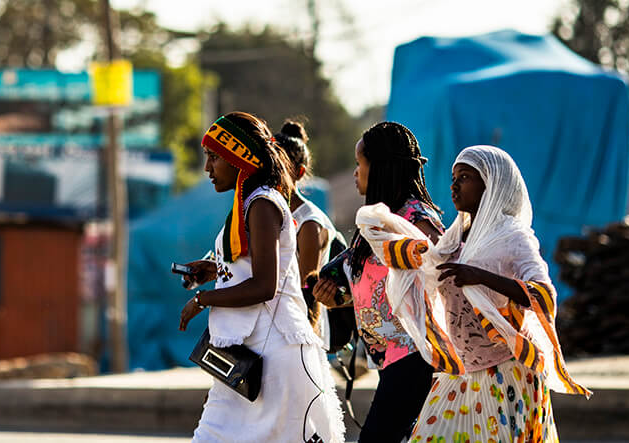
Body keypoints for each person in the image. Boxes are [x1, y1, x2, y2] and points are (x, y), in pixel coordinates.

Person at [356, 145, 591, 443]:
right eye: (454, 177)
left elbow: (544, 295)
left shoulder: (512, 237)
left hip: (505, 375)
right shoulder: (454, 240)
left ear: (492, 184)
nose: (454, 185)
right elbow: (429, 267)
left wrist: (481, 277)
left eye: (465, 177)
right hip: (460, 374)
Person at [179, 112, 345, 443]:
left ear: (239, 157)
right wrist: (214, 270)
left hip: (277, 355)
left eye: (214, 157)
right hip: (247, 357)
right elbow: (253, 265)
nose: (207, 168)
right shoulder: (249, 203)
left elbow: (265, 285)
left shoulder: (262, 203)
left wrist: (203, 299)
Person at [313, 121, 444, 443]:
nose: (355, 172)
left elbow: (438, 273)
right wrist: (336, 296)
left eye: (360, 164)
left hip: (416, 356)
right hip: (390, 358)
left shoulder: (416, 220)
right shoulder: (375, 222)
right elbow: (374, 286)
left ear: (381, 167)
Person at [273, 120, 341, 342]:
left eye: (280, 166)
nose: (272, 172)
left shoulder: (308, 223)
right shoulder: (267, 211)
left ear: (299, 172)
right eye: (269, 162)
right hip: (275, 325)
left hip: (298, 331)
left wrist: (303, 343)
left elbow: (305, 293)